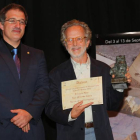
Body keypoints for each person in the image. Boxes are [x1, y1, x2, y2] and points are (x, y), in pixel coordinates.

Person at [45, 19, 131, 140]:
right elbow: (50, 108)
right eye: (70, 39)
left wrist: (120, 85)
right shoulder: (56, 74)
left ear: (87, 42)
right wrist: (70, 114)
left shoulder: (103, 69)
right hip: (71, 134)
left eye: (79, 38)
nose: (74, 43)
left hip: (100, 133)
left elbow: (112, 105)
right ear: (65, 44)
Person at [0, 3, 49, 140]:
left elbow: (44, 88)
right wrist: (17, 117)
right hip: (3, 128)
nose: (18, 25)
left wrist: (28, 113)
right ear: (1, 25)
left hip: (33, 130)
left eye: (22, 22)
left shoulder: (37, 55)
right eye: (12, 20)